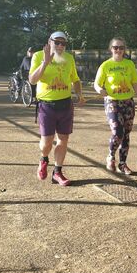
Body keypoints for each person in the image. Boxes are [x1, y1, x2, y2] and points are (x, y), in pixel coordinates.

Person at [29, 31, 86, 186]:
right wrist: (45, 62)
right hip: (46, 105)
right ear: (50, 41)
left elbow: (75, 79)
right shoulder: (38, 56)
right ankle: (43, 158)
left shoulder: (69, 58)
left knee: (63, 139)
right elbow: (33, 80)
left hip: (65, 104)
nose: (60, 46)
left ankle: (57, 172)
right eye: (57, 42)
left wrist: (79, 94)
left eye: (63, 43)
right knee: (46, 142)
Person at [94, 37, 137, 175]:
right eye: (115, 47)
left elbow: (135, 83)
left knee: (126, 134)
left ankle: (122, 164)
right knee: (118, 132)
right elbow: (96, 84)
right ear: (110, 49)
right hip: (112, 101)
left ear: (125, 49)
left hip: (128, 102)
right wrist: (100, 90)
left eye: (121, 47)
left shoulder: (129, 64)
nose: (118, 50)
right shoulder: (105, 65)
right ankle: (111, 155)